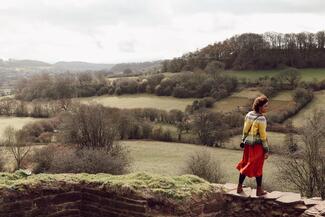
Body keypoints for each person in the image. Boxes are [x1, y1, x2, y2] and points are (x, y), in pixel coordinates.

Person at [236, 95, 270, 196]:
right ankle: (259, 190)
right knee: (258, 166)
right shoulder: (262, 119)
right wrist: (266, 149)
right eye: (265, 106)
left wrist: (243, 140)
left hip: (247, 145)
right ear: (260, 107)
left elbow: (244, 130)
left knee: (246, 163)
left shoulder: (249, 114)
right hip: (257, 146)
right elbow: (263, 136)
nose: (267, 108)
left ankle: (239, 187)